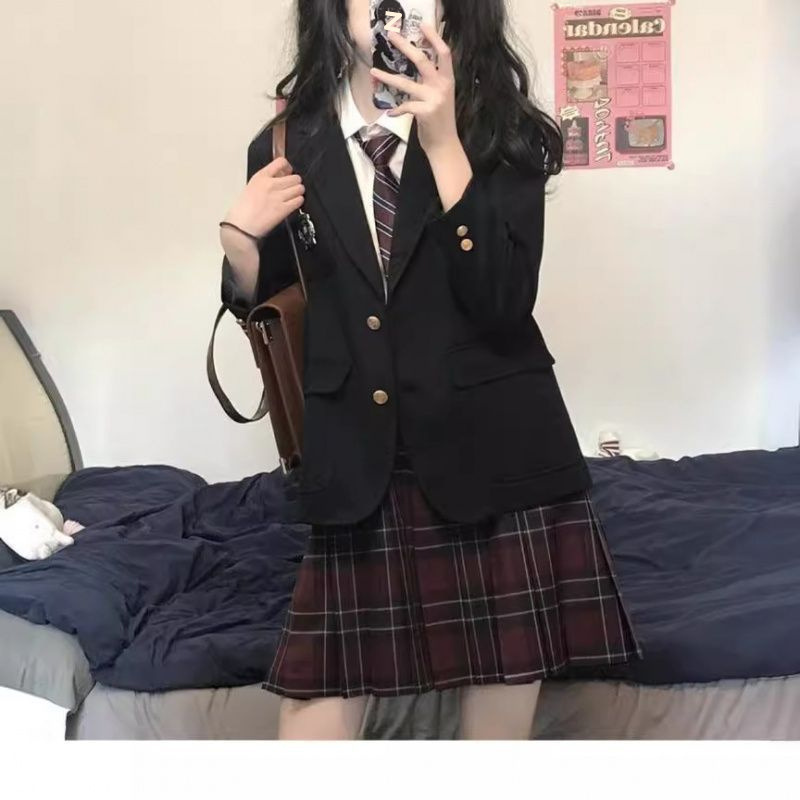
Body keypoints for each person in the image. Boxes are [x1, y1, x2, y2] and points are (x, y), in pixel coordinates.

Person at [218, 0, 642, 741]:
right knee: (309, 728)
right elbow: (277, 303)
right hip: (358, 458)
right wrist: (239, 247)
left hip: (497, 455)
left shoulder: (504, 129)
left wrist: (445, 142)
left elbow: (504, 301)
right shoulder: (285, 143)